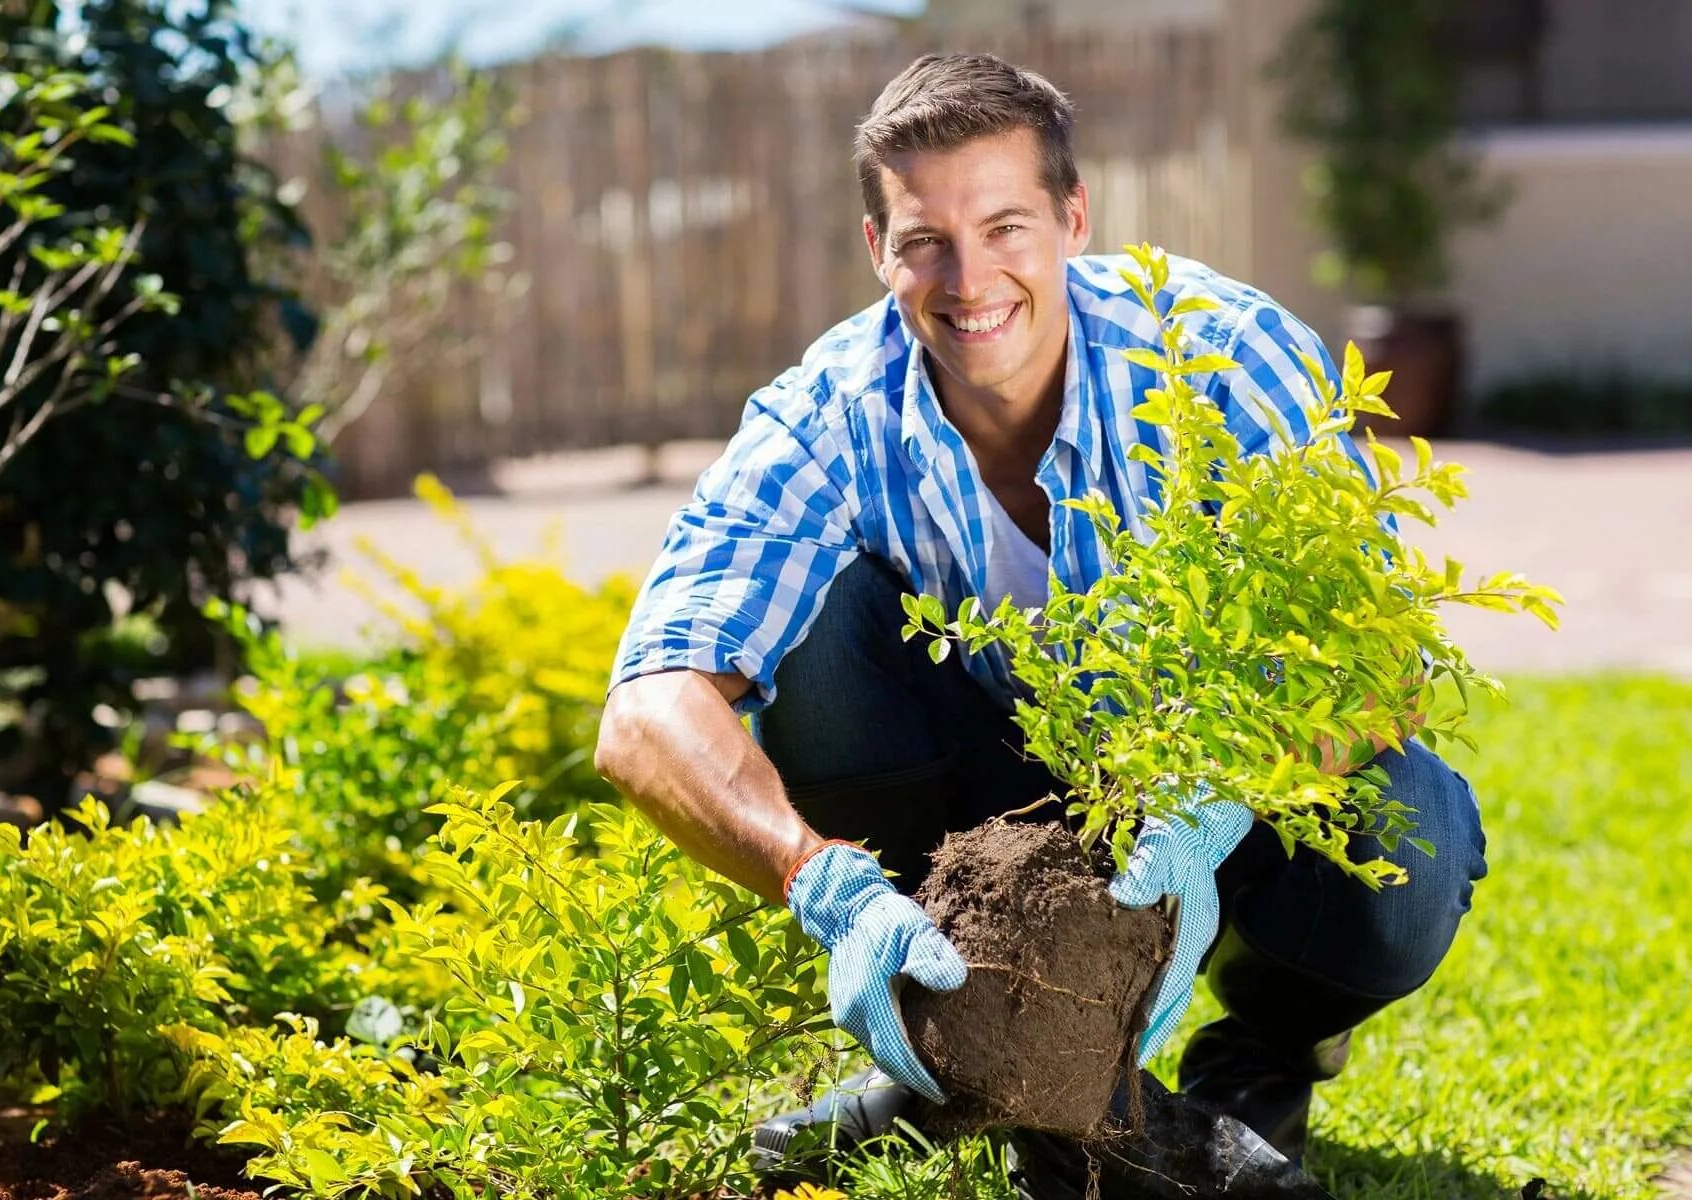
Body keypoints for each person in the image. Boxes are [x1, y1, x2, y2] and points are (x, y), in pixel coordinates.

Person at [593, 51, 1487, 1185]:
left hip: (1216, 795)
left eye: (1006, 227)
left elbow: (1378, 651)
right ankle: (960, 1041)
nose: (970, 281)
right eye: (925, 242)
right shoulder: (827, 414)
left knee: (1406, 832)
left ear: (1072, 216)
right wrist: (817, 878)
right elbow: (647, 708)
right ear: (879, 251)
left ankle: (1261, 1051)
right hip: (982, 824)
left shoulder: (1214, 354)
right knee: (815, 624)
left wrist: (1211, 808)